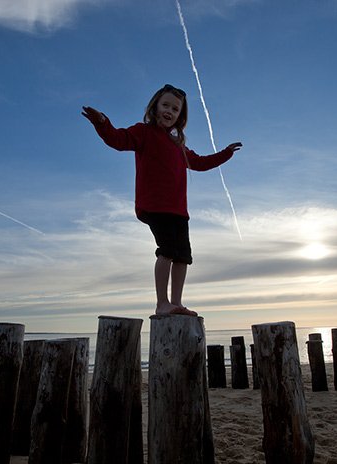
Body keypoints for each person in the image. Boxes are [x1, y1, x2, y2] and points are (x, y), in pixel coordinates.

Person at [82, 84, 241, 317]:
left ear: (180, 116)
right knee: (166, 250)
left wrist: (225, 153)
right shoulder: (143, 132)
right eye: (165, 105)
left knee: (183, 256)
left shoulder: (179, 145)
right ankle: (161, 303)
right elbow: (117, 139)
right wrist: (102, 122)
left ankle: (176, 302)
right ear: (155, 106)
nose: (169, 111)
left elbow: (200, 163)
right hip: (155, 205)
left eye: (175, 109)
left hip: (178, 209)